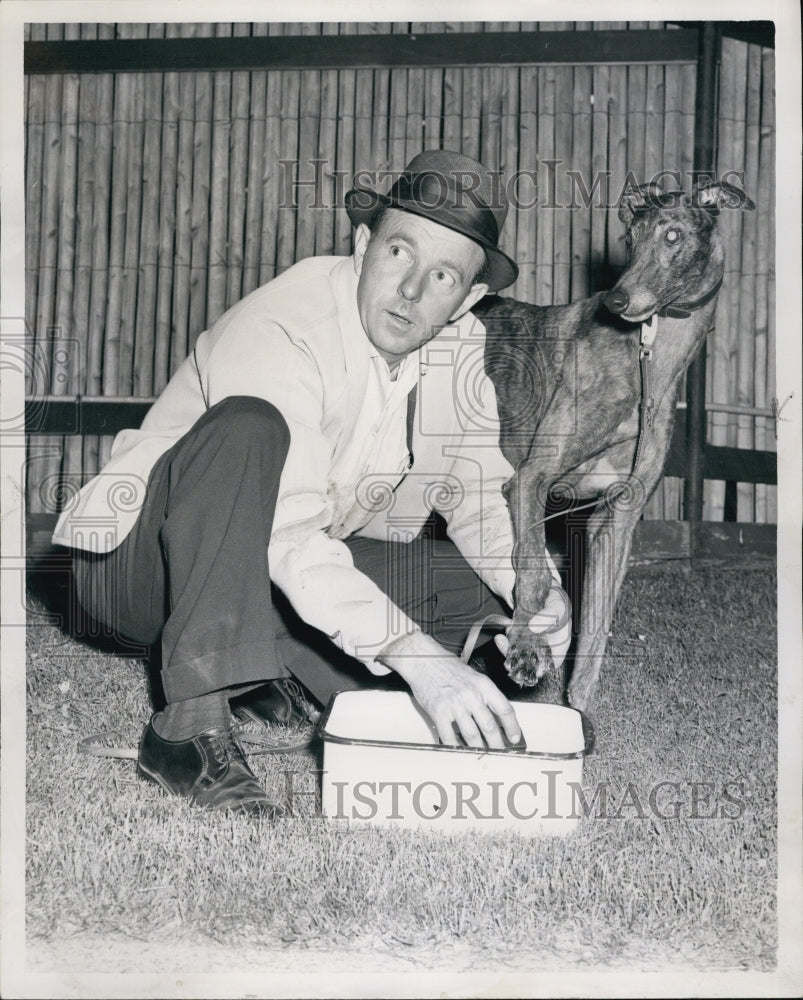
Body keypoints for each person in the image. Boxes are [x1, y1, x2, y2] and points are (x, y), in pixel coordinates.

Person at [54, 149, 570, 817]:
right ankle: (188, 728)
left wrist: (532, 593)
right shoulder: (285, 322)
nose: (410, 291)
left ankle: (277, 659)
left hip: (258, 570)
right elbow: (290, 533)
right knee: (247, 427)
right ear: (362, 245)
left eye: (441, 275)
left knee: (471, 590)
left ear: (468, 296)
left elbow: (476, 497)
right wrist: (412, 653)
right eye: (397, 254)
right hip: (136, 565)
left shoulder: (460, 346)